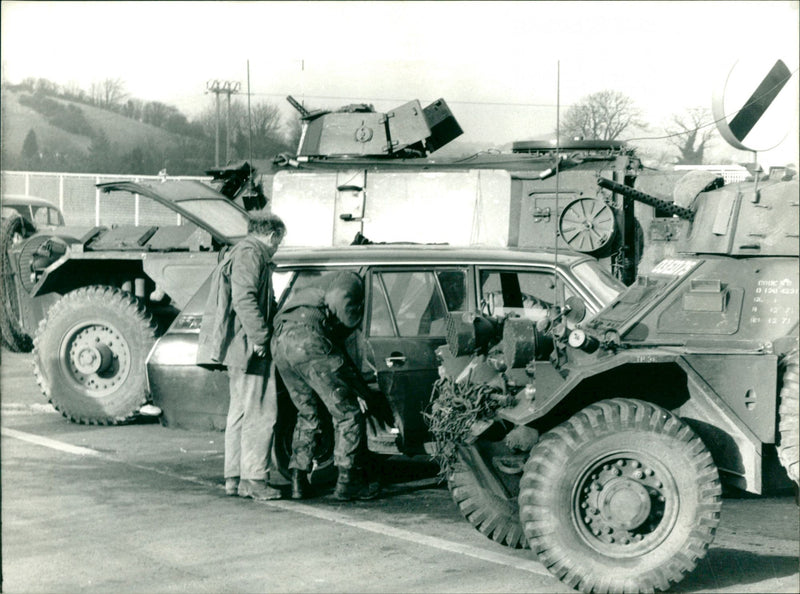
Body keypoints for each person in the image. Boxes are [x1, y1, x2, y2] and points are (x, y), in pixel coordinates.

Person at [197, 212, 286, 500]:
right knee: (261, 412)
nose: (277, 247)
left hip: (236, 346)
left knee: (240, 413)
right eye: (279, 242)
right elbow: (245, 297)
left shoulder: (240, 251)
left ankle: (234, 478)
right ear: (272, 236)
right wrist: (261, 337)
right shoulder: (253, 254)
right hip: (248, 346)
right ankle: (255, 480)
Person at [270, 271, 380, 501]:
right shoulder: (350, 278)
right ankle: (347, 482)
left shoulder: (313, 288)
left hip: (280, 342)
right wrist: (358, 320)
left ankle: (298, 481)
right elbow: (341, 305)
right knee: (348, 413)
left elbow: (336, 350)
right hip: (307, 341)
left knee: (307, 412)